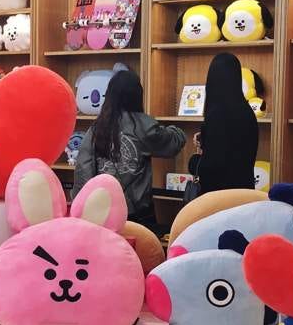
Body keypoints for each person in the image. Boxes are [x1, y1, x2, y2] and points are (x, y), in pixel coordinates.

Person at [74, 69, 186, 229]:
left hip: (102, 211)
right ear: (137, 95)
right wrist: (176, 130)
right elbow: (172, 143)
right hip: (138, 212)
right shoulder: (144, 125)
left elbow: (83, 168)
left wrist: (82, 207)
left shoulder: (97, 127)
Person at [195, 52, 258, 195]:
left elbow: (212, 166)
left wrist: (194, 161)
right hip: (244, 193)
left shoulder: (216, 113)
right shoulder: (247, 111)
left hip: (219, 197)